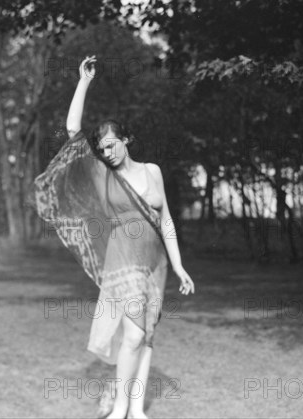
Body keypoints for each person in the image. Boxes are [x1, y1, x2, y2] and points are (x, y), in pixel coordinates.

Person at [32, 55, 194, 419]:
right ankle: (120, 409)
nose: (106, 152)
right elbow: (73, 127)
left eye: (111, 145)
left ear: (126, 139)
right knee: (134, 335)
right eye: (102, 148)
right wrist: (84, 81)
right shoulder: (103, 175)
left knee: (147, 335)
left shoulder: (153, 172)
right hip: (123, 261)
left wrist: (180, 265)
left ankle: (136, 409)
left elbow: (165, 219)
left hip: (156, 263)